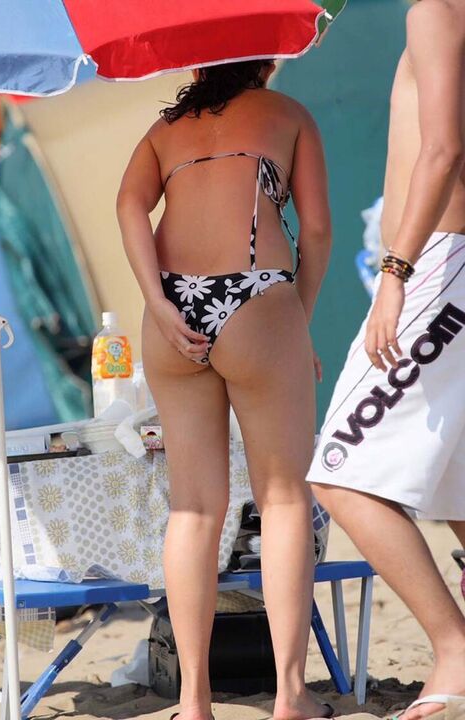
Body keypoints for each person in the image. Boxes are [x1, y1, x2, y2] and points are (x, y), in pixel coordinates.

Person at [117, 60, 332, 720]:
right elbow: (316, 231)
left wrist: (158, 304)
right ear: (265, 58)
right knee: (284, 498)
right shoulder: (289, 115)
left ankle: (193, 701)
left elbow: (128, 205)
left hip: (173, 306)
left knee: (193, 510)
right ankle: (290, 695)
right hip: (256, 292)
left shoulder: (165, 129)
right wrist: (296, 320)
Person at [308, 1, 465, 718]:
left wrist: (396, 272)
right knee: (457, 480)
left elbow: (442, 149)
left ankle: (454, 647)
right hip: (446, 259)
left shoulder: (437, 9)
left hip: (439, 265)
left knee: (340, 473)